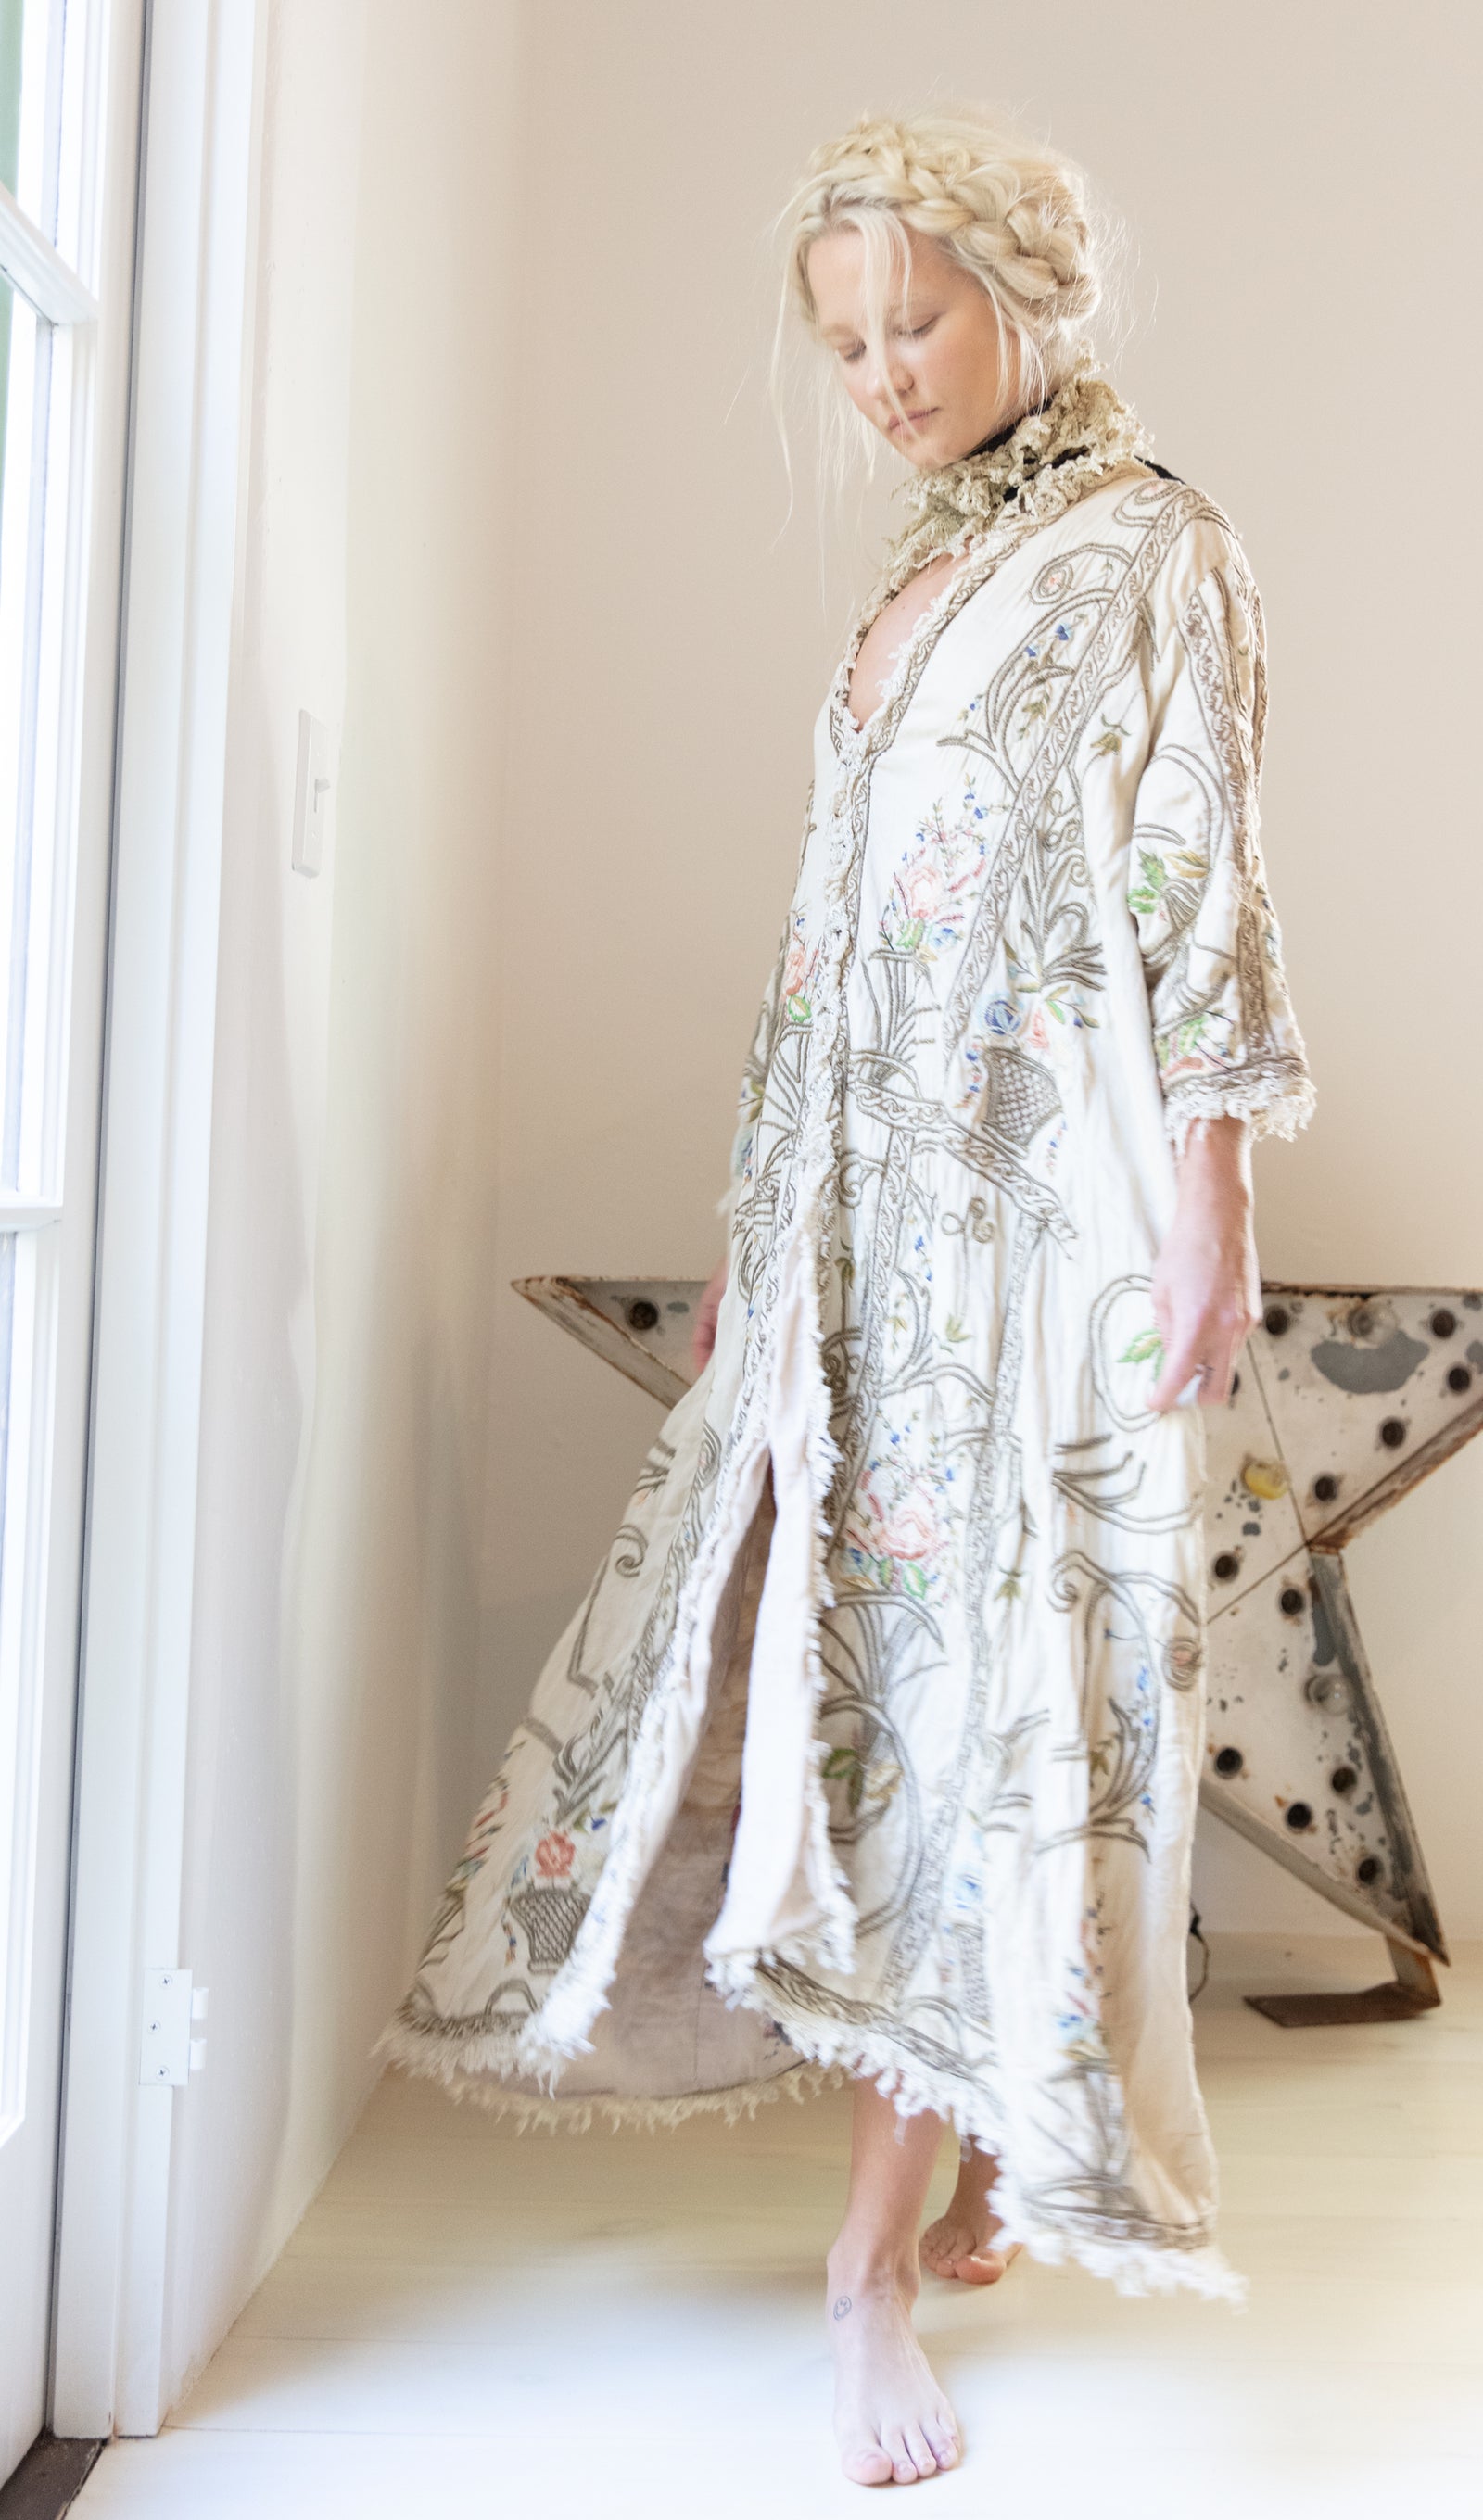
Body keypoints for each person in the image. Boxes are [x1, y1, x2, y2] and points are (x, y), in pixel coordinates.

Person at [385, 107, 1314, 2488]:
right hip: (840, 1226)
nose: (881, 373)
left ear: (1024, 295)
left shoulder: (1153, 549)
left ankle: (859, 2268)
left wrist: (1210, 1202)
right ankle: (978, 2136)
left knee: (981, 1694)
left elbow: (1196, 883)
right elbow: (823, 944)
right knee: (839, 1671)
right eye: (842, 341)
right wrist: (746, 1226)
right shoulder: (914, 580)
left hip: (1033, 1236)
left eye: (913, 319)